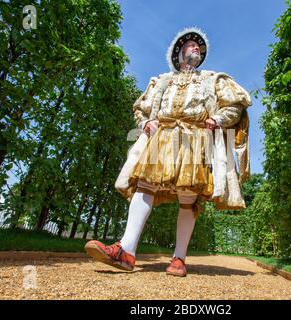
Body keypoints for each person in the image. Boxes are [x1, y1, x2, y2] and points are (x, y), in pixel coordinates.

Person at [85, 27, 251, 277]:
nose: (196, 47)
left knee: (188, 194)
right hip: (162, 136)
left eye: (198, 45)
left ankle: (179, 259)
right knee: (144, 184)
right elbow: (140, 109)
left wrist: (217, 119)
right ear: (179, 52)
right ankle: (126, 251)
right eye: (191, 44)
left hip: (195, 137)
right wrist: (145, 123)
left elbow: (235, 105)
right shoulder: (160, 81)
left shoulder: (212, 78)